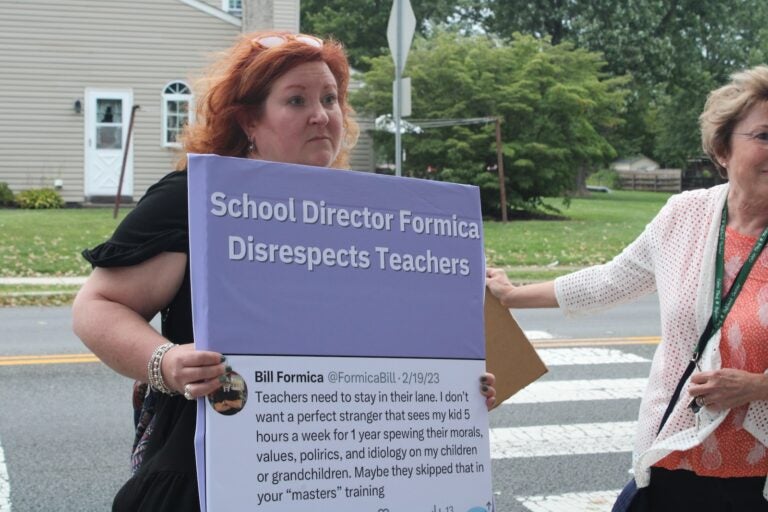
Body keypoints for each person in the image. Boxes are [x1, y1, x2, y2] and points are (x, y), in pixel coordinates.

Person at [72, 31, 496, 512]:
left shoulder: (375, 216)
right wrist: (166, 362)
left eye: (330, 98)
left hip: (352, 473)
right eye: (296, 100)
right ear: (249, 120)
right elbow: (98, 306)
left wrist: (455, 393)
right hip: (215, 469)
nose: (321, 114)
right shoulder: (194, 199)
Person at [487, 65, 768, 511]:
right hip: (670, 452)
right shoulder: (686, 215)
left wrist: (758, 387)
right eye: (764, 136)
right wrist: (513, 295)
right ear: (722, 148)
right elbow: (610, 280)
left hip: (753, 478)